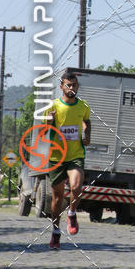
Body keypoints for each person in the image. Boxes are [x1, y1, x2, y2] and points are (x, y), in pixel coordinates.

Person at [43, 70, 91, 249]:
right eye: (68, 85)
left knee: (76, 186)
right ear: (61, 86)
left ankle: (72, 213)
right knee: (57, 197)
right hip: (57, 157)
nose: (72, 88)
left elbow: (87, 121)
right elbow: (46, 130)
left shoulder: (83, 106)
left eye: (75, 85)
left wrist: (87, 134)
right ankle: (55, 231)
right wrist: (49, 121)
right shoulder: (53, 106)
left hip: (75, 154)